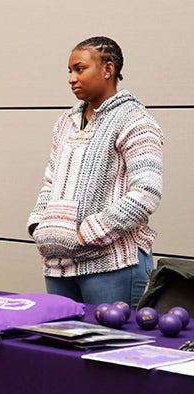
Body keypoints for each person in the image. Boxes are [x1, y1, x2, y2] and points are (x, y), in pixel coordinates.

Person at [27, 36, 164, 309]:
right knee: (62, 350)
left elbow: (146, 193)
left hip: (113, 265)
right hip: (58, 265)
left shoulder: (135, 120)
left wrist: (84, 235)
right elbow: (50, 182)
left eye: (80, 69)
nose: (71, 78)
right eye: (70, 71)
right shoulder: (65, 122)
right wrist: (40, 226)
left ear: (108, 69)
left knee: (112, 349)